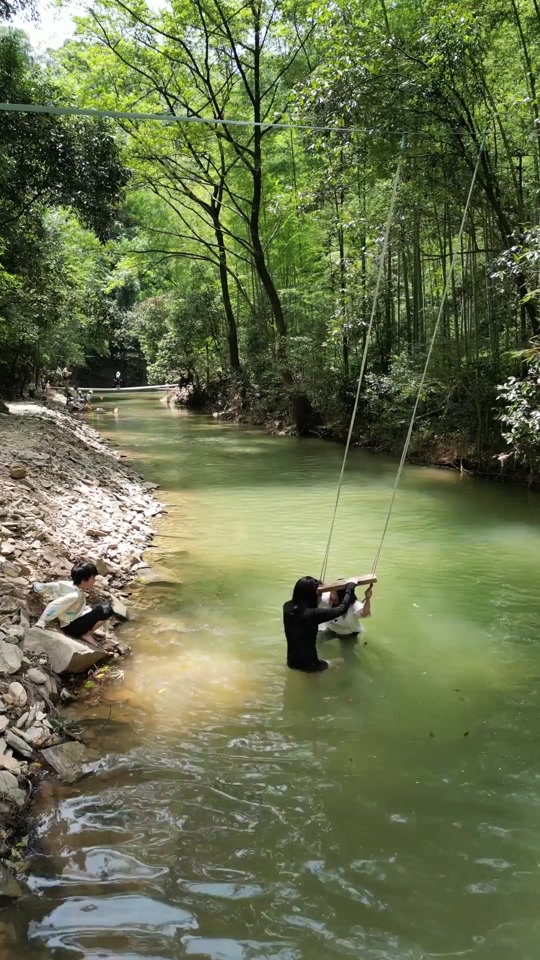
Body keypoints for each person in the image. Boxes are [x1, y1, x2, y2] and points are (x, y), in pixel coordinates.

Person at [283, 577, 358, 673]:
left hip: (291, 662)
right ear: (311, 595)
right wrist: (350, 586)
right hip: (310, 665)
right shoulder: (312, 614)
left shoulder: (287, 607)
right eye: (319, 594)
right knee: (341, 662)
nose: (320, 596)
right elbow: (341, 609)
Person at [33, 560, 120, 640]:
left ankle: (86, 631)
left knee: (101, 606)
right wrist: (41, 623)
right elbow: (53, 605)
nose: (94, 581)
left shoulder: (68, 585)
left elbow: (50, 587)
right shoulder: (74, 596)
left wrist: (36, 586)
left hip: (72, 619)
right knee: (107, 609)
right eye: (92, 578)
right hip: (72, 627)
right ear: (84, 581)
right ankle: (87, 634)